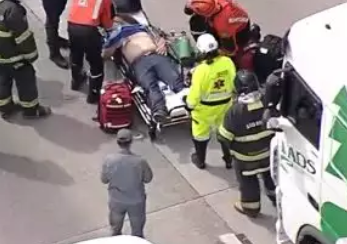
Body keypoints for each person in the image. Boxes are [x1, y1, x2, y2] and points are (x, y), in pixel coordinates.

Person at [218, 70, 276, 217]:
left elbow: (223, 137)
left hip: (246, 159)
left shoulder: (234, 112)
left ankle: (251, 208)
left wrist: (229, 155)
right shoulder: (268, 102)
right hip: (269, 154)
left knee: (248, 182)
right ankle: (276, 199)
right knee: (272, 177)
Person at [102, 16, 181, 123]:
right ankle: (159, 110)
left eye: (117, 21)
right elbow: (106, 54)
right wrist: (113, 41)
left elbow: (160, 38)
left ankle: (186, 98)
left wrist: (162, 42)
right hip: (139, 62)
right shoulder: (118, 37)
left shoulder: (142, 29)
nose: (116, 24)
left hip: (155, 56)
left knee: (174, 78)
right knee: (149, 86)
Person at [185, 33, 236, 170]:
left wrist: (189, 105)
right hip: (225, 105)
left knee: (200, 134)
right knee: (224, 131)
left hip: (204, 109)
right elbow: (234, 82)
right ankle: (229, 159)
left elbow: (195, 92)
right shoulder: (227, 62)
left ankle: (200, 160)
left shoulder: (201, 70)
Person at [67, 0, 115, 104]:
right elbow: (107, 21)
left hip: (72, 25)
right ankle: (93, 95)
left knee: (76, 55)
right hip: (89, 29)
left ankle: (75, 81)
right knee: (95, 62)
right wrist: (108, 29)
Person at [101, 128, 153, 238]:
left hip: (117, 200)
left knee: (115, 231)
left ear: (117, 142)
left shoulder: (109, 160)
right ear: (131, 142)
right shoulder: (140, 161)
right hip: (136, 201)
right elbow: (148, 179)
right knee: (137, 234)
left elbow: (104, 180)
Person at [184, 0, 251, 57]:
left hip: (240, 28)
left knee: (234, 52)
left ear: (207, 15)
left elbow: (230, 49)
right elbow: (188, 8)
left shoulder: (222, 25)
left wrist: (216, 53)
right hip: (236, 16)